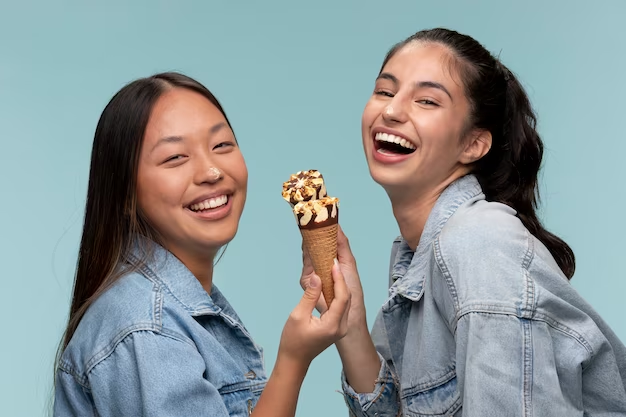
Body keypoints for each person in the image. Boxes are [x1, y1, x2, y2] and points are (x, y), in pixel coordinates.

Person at [300, 28, 626, 415]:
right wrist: (350, 327)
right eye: (385, 92)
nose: (390, 110)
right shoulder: (416, 255)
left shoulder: (480, 242)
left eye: (426, 101)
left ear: (473, 144)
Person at [53, 72, 351, 417]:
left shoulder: (178, 307)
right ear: (126, 194)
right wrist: (293, 360)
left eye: (221, 145)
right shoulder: (148, 327)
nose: (211, 171)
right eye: (176, 157)